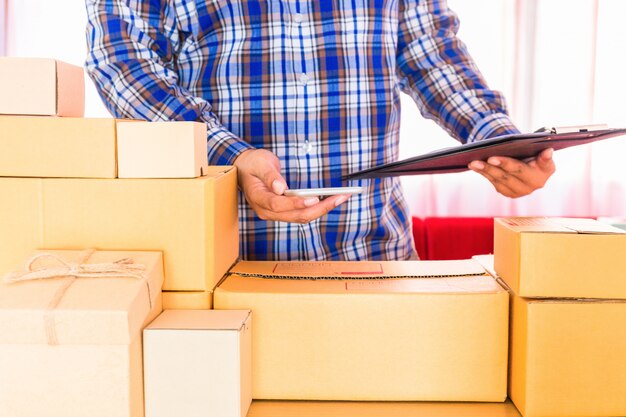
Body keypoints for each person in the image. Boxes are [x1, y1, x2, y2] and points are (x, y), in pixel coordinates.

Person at [85, 0, 555, 261]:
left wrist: (502, 142)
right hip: (225, 261)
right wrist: (228, 153)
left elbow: (433, 55)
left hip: (375, 259)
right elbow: (121, 64)